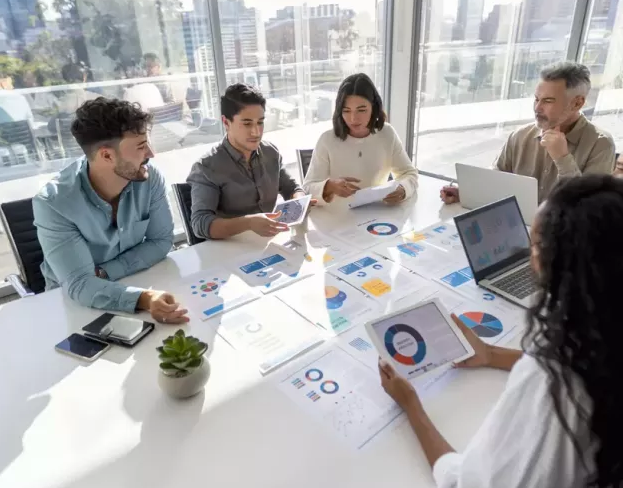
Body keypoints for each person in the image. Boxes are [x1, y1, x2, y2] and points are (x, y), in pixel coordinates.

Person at [381, 174, 623, 488]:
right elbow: (592, 364)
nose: (528, 255)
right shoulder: (603, 334)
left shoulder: (551, 382)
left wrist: (412, 405)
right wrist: (493, 354)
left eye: (537, 244)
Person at [33, 97, 189, 324]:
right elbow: (80, 284)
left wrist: (106, 273)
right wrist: (144, 298)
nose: (151, 154)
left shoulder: (149, 178)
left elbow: (161, 241)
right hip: (70, 303)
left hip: (138, 279)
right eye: (141, 146)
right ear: (107, 155)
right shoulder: (53, 204)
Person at [441, 62, 616, 204]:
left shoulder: (601, 144)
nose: (537, 108)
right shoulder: (520, 135)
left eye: (548, 101)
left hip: (562, 240)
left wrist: (562, 158)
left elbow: (588, 209)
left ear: (577, 103)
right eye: (536, 99)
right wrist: (468, 193)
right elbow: (495, 179)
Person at [187, 83, 307, 240]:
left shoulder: (271, 152)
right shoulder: (206, 167)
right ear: (226, 122)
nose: (256, 132)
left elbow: (291, 188)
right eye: (247, 123)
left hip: (270, 242)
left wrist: (299, 201)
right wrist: (248, 223)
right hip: (231, 250)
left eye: (260, 122)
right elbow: (200, 224)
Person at [303, 73, 418, 204]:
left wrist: (403, 189)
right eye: (346, 111)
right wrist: (329, 186)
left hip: (376, 214)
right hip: (337, 219)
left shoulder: (387, 134)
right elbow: (307, 189)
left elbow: (409, 174)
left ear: (374, 107)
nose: (353, 119)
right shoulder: (327, 140)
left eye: (361, 110)